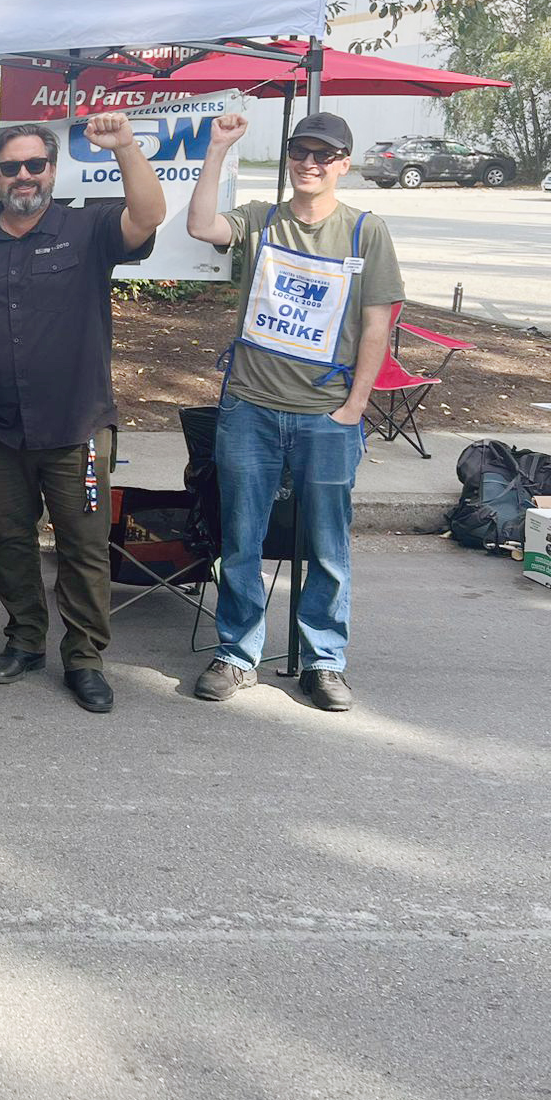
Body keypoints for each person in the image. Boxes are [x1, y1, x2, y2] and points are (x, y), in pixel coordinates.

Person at [185, 110, 403, 713]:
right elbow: (202, 224)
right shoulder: (262, 219)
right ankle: (237, 653)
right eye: (300, 152)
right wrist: (218, 150)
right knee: (241, 538)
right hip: (250, 409)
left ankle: (324, 661)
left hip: (325, 415)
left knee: (327, 544)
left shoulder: (366, 232)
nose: (310, 163)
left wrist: (354, 408)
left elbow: (376, 325)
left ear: (344, 164)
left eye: (324, 155)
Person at [0, 116, 164, 715]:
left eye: (34, 165)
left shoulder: (89, 226)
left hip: (78, 424)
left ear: (52, 170)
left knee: (83, 546)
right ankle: (24, 641)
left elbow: (147, 217)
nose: (23, 176)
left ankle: (85, 658)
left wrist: (124, 146)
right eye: (10, 167)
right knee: (10, 540)